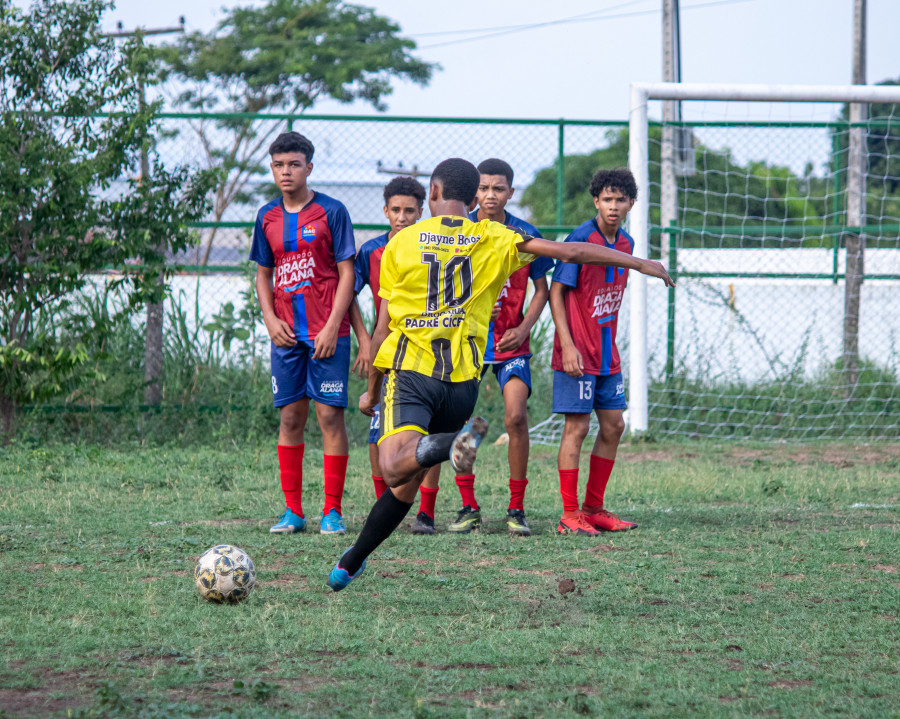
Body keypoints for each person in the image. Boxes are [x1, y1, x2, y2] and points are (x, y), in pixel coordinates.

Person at [326, 158, 674, 591]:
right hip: (463, 384)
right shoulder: (493, 235)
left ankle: (453, 443)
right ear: (474, 199)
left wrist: (372, 391)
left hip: (413, 370)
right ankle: (352, 562)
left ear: (432, 193)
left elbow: (385, 325)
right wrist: (638, 263)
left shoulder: (400, 243)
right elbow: (570, 251)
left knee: (394, 463)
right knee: (405, 483)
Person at [250, 131, 364, 537]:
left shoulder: (332, 212)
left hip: (327, 334)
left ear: (308, 168)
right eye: (279, 164)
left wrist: (334, 325)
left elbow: (348, 273)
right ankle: (292, 511)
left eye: (294, 164)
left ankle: (332, 512)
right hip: (285, 335)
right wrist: (269, 319)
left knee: (330, 416)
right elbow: (264, 276)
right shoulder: (266, 216)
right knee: (290, 417)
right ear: (272, 167)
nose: (286, 171)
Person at [446, 158, 553, 537]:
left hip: (511, 345)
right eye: (484, 188)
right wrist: (468, 302)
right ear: (473, 191)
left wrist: (524, 327)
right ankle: (468, 507)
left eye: (499, 188)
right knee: (462, 424)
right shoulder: (460, 231)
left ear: (511, 192)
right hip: (469, 344)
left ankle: (517, 509)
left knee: (516, 417)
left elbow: (542, 289)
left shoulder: (525, 234)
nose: (490, 195)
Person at [550, 167, 643, 536]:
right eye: (607, 198)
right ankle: (569, 515)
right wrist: (568, 344)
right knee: (578, 427)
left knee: (614, 425)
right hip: (577, 353)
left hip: (607, 354)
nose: (614, 206)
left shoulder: (627, 244)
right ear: (596, 201)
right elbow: (558, 291)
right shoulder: (580, 238)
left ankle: (594, 507)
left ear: (631, 203)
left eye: (621, 199)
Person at [354, 176, 443, 535]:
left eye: (410, 210)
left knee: (428, 435)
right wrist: (363, 340)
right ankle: (385, 508)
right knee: (379, 434)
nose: (403, 217)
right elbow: (348, 294)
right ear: (385, 210)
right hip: (385, 352)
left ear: (422, 211)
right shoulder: (372, 251)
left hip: (424, 354)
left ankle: (426, 512)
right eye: (396, 210)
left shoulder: (434, 247)